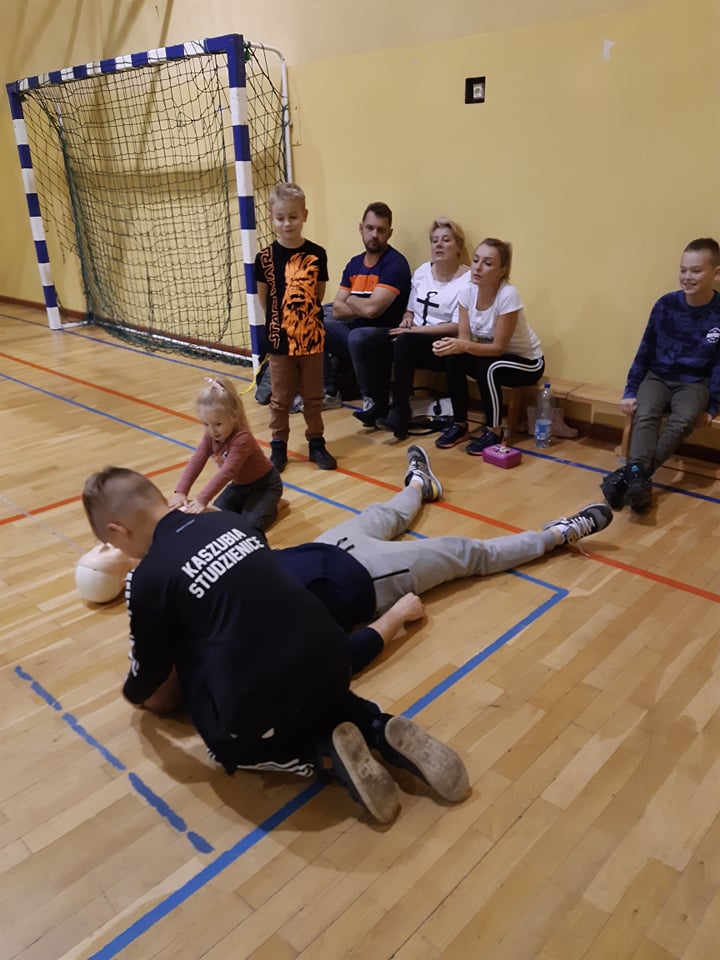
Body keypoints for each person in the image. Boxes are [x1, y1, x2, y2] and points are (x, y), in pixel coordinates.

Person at [82, 466, 470, 824]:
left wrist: (133, 696)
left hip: (269, 698)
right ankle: (378, 726)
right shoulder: (228, 521)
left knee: (225, 746)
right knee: (305, 676)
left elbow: (149, 672)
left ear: (117, 531)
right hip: (336, 659)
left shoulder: (148, 578)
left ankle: (321, 757)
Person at [275, 446, 613, 659]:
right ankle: (556, 535)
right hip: (367, 576)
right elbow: (342, 660)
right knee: (465, 552)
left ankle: (419, 484)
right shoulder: (261, 655)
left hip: (325, 547)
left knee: (386, 513)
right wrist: (395, 617)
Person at [600, 238, 720, 514]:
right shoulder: (665, 305)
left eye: (696, 271)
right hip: (657, 377)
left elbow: (719, 364)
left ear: (716, 273)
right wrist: (631, 390)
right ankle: (638, 482)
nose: (687, 277)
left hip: (695, 383)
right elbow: (645, 349)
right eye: (683, 270)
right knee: (645, 414)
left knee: (684, 420)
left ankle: (632, 476)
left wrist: (714, 404)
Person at [431, 238, 545, 454]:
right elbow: (465, 342)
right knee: (454, 359)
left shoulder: (508, 295)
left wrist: (462, 345)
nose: (478, 267)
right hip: (493, 357)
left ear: (501, 271)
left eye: (488, 263)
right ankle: (460, 425)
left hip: (527, 362)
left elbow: (498, 348)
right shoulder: (467, 292)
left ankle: (494, 432)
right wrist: (450, 346)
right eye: (476, 260)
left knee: (489, 367)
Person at [255, 182, 337, 473]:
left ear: (305, 215)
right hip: (280, 341)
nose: (287, 223)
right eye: (280, 218)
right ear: (271, 218)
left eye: (293, 216)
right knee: (280, 399)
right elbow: (265, 299)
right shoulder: (264, 258)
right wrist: (282, 324)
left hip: (311, 339)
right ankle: (278, 446)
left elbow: (319, 294)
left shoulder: (317, 254)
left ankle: (316, 442)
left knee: (314, 397)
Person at [375, 218, 471, 439]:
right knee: (368, 339)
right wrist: (407, 320)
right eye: (434, 240)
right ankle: (377, 405)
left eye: (445, 240)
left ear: (458, 247)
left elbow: (457, 326)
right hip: (412, 337)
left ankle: (400, 411)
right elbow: (409, 311)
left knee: (405, 341)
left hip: (442, 342)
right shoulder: (422, 272)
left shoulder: (467, 281)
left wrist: (413, 332)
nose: (438, 245)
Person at [324, 202, 411, 422]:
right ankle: (329, 390)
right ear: (361, 228)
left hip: (385, 334)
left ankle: (373, 400)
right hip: (355, 330)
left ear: (389, 233)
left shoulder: (395, 264)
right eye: (370, 228)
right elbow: (337, 310)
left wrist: (352, 299)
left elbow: (373, 311)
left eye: (381, 230)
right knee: (315, 323)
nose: (374, 235)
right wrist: (362, 305)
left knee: (358, 336)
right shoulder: (354, 264)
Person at [168, 377, 286, 533]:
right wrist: (181, 491)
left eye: (218, 424)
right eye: (206, 424)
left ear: (233, 416)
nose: (212, 431)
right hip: (239, 486)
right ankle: (254, 505)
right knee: (218, 517)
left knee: (248, 527)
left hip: (265, 486)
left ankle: (273, 507)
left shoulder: (242, 438)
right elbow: (197, 460)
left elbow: (228, 471)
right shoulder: (210, 436)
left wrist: (202, 499)